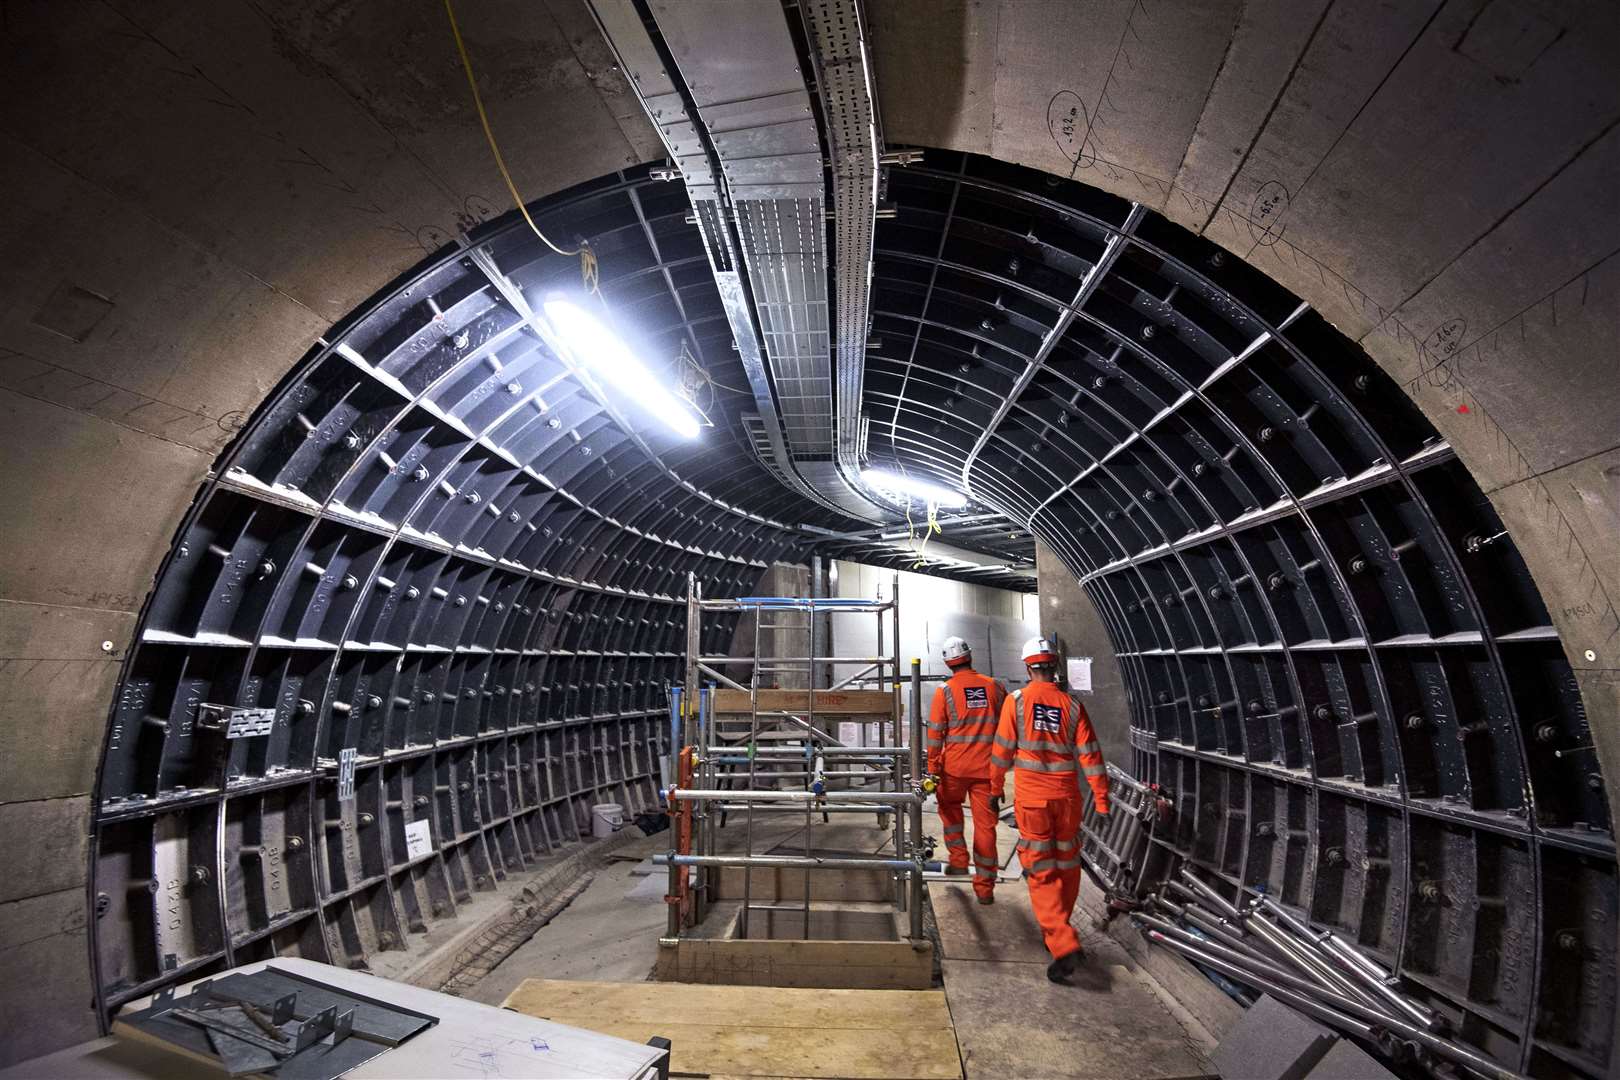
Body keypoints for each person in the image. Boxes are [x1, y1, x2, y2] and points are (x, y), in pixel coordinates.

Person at [989, 635, 1110, 983]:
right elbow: (1091, 756)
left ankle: (1062, 940)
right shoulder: (1073, 706)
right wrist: (1101, 800)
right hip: (1068, 800)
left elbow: (1001, 751)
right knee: (1068, 865)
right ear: (1053, 666)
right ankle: (1059, 930)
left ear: (1028, 667)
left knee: (1040, 870)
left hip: (1033, 801)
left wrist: (994, 788)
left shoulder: (1017, 702)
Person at [926, 635, 1008, 904]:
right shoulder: (995, 687)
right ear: (970, 657)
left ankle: (959, 860)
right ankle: (985, 889)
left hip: (954, 769)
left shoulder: (945, 691)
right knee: (986, 827)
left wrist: (932, 769)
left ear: (948, 663)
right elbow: (1009, 727)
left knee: (950, 812)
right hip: (987, 770)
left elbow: (936, 734)